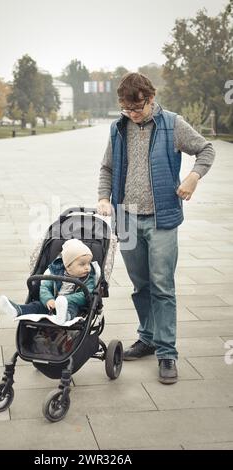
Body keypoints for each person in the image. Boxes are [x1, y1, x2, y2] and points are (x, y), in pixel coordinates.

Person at [97, 72, 215, 384]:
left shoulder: (172, 124)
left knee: (162, 286)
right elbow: (107, 167)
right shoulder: (118, 128)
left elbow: (206, 150)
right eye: (127, 109)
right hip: (126, 219)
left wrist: (193, 176)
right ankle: (147, 338)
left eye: (138, 109)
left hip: (161, 218)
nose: (133, 115)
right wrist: (103, 197)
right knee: (141, 286)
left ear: (151, 99)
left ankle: (166, 353)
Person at [0, 238, 98, 325]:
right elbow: (45, 287)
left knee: (72, 309)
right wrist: (48, 300)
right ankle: (18, 310)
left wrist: (65, 299)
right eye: (82, 264)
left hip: (72, 304)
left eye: (89, 264)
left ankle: (63, 317)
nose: (87, 268)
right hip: (52, 303)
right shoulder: (54, 273)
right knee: (37, 305)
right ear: (68, 266)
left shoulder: (88, 278)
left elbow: (86, 295)